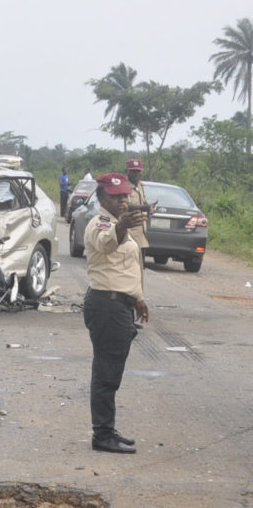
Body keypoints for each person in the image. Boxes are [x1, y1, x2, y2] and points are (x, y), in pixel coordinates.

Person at [82, 173, 149, 454]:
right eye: (115, 196)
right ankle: (102, 435)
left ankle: (107, 430)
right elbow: (106, 244)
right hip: (106, 306)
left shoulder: (119, 223)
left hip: (119, 305)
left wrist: (138, 299)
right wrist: (121, 225)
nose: (122, 201)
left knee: (112, 371)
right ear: (101, 197)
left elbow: (126, 268)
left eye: (124, 196)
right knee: (106, 374)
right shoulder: (100, 223)